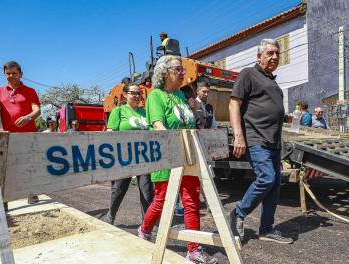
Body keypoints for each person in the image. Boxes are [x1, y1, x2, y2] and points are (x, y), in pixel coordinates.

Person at [138, 55, 218, 264]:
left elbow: (191, 125)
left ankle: (193, 249)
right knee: (163, 201)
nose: (183, 73)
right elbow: (158, 125)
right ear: (164, 73)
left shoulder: (182, 97)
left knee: (191, 201)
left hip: (188, 157)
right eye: (178, 69)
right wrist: (174, 149)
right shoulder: (156, 95)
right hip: (167, 157)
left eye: (183, 69)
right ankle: (144, 230)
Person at [228, 39, 293, 244]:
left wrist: (283, 117)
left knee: (274, 186)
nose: (274, 57)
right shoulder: (248, 74)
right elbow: (234, 104)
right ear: (259, 56)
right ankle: (238, 213)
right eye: (270, 53)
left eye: (277, 54)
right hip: (256, 139)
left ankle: (266, 229)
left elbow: (264, 108)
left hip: (274, 141)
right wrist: (238, 135)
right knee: (266, 178)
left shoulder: (273, 83)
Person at [105, 83, 154, 225]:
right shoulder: (118, 111)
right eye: (133, 93)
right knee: (119, 189)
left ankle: (146, 225)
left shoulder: (145, 113)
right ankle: (110, 216)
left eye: (139, 93)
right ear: (125, 95)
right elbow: (110, 134)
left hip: (144, 158)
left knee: (147, 192)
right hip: (124, 159)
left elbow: (152, 133)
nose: (137, 96)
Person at [0, 61, 41, 204]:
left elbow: (37, 110)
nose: (11, 76)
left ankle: (31, 193)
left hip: (27, 136)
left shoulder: (30, 91)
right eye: (8, 73)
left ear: (21, 74)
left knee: (29, 165)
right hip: (6, 136)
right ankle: (4, 201)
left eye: (14, 73)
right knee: (4, 168)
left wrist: (28, 117)